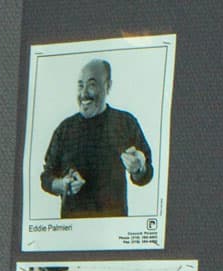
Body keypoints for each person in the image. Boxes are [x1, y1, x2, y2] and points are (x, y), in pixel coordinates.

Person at [38, 59, 154, 219]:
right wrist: (63, 184)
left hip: (114, 228)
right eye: (80, 85)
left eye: (92, 84)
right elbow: (46, 178)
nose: (84, 93)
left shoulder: (126, 123)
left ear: (108, 86)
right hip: (72, 231)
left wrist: (138, 169)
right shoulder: (64, 129)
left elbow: (146, 175)